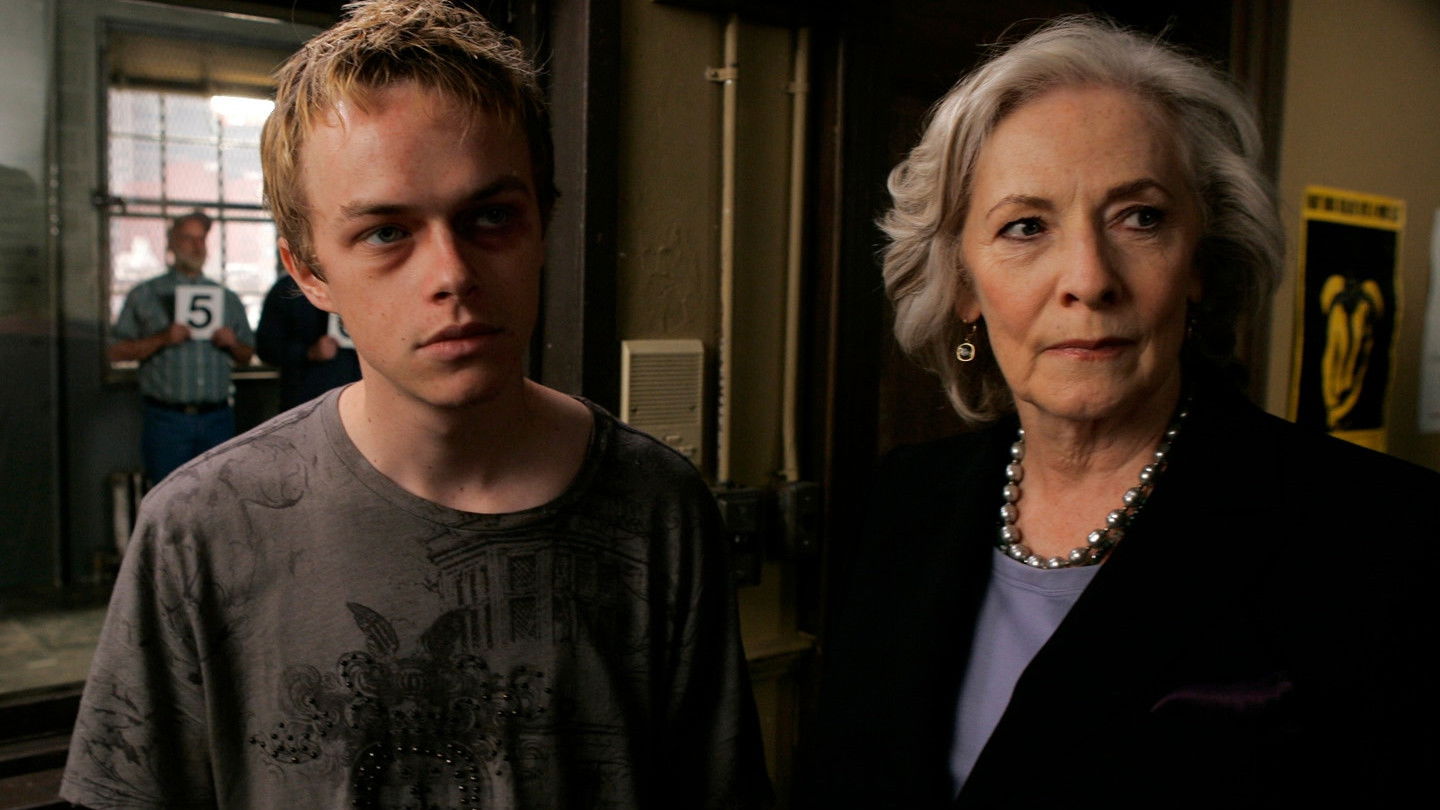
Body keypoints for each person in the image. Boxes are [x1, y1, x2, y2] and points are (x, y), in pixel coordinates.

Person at [63, 2, 769, 808]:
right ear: (310, 272)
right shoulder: (200, 531)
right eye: (386, 233)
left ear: (543, 226)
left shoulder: (659, 509)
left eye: (491, 217)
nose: (453, 275)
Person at [815, 17, 1438, 808]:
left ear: (1200, 260)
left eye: (1140, 217)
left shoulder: (1384, 535)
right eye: (1025, 227)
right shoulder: (907, 502)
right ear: (963, 283)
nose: (1089, 278)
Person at [107, 210, 255, 484]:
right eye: (188, 238)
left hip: (218, 418)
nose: (196, 246)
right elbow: (115, 351)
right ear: (171, 243)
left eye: (201, 239)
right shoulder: (145, 295)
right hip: (167, 421)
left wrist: (232, 343)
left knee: (220, 494)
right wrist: (162, 338)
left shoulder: (227, 298)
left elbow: (246, 355)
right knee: (168, 495)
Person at [255, 272, 362, 410]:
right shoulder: (288, 288)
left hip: (359, 398)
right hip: (305, 400)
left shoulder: (365, 284)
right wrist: (309, 352)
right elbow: (266, 348)